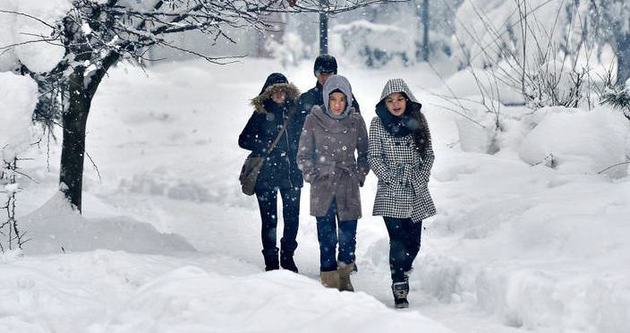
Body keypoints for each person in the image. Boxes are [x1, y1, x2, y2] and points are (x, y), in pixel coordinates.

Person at [367, 78, 436, 308]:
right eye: (390, 100)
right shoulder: (377, 124)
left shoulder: (418, 121)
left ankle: (403, 270)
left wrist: (422, 177)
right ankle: (399, 285)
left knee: (413, 242)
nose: (395, 104)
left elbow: (429, 155)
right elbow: (374, 157)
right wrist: (390, 178)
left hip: (415, 187)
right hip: (391, 190)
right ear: (384, 103)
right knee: (397, 239)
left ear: (407, 100)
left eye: (399, 99)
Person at [297, 75, 369, 291]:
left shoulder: (355, 120)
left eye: (342, 99)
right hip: (323, 183)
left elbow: (365, 152)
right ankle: (329, 280)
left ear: (348, 100)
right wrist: (312, 174)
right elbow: (303, 153)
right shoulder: (313, 119)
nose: (337, 104)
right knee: (326, 238)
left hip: (348, 183)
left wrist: (359, 173)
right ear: (326, 99)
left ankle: (345, 277)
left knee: (348, 236)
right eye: (333, 99)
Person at [238, 73, 305, 273]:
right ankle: (271, 260)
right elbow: (243, 140)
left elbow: (305, 137)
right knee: (269, 219)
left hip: (292, 172)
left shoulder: (295, 113)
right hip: (265, 175)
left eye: (282, 90)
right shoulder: (261, 113)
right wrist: (264, 144)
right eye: (274, 91)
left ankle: (287, 256)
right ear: (268, 93)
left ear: (287, 91)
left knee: (292, 217)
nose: (278, 94)